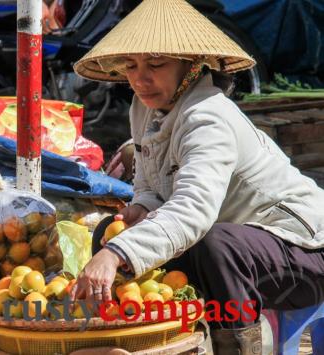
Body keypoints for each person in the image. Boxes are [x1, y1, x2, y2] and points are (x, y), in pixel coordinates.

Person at [71, 0, 324, 353]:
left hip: (305, 253)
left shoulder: (208, 118)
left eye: (156, 64)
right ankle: (143, 336)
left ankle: (237, 346)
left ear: (191, 66)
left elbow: (193, 211)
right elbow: (150, 184)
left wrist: (118, 253)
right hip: (237, 241)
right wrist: (141, 209)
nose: (140, 79)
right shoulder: (145, 108)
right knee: (108, 233)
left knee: (212, 245)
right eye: (131, 65)